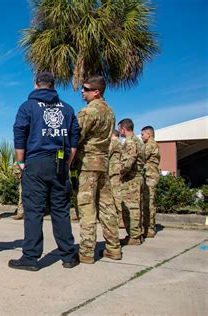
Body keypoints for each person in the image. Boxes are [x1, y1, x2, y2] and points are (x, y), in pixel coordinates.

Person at [9, 72, 79, 271]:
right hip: (60, 163)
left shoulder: (27, 106)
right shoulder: (67, 108)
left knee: (33, 211)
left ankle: (30, 258)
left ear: (36, 84)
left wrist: (21, 163)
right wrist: (66, 163)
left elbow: (19, 135)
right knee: (61, 210)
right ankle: (68, 256)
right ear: (54, 85)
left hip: (36, 162)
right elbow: (73, 142)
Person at [75, 76, 122, 264]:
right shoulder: (110, 112)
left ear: (97, 92)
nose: (82, 92)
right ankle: (114, 248)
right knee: (107, 207)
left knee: (87, 208)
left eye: (85, 89)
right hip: (103, 164)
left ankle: (86, 251)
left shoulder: (89, 111)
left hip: (87, 165)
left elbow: (75, 137)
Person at [118, 118, 145, 245]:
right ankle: (137, 234)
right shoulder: (138, 140)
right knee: (137, 207)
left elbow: (129, 161)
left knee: (131, 208)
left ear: (123, 128)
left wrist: (120, 173)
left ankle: (134, 236)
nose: (120, 132)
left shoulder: (130, 142)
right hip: (137, 177)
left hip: (131, 179)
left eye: (120, 129)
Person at [141, 125, 160, 238]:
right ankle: (148, 227)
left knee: (149, 203)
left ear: (149, 134)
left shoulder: (150, 144)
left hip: (150, 176)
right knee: (147, 202)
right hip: (150, 175)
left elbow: (142, 156)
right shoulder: (151, 144)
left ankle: (150, 229)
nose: (142, 137)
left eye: (143, 134)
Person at [109, 129, 124, 228]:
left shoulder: (114, 142)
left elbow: (107, 152)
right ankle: (120, 218)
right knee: (116, 195)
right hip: (116, 171)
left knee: (116, 196)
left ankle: (122, 219)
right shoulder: (120, 142)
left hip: (115, 172)